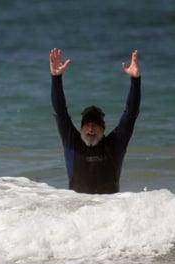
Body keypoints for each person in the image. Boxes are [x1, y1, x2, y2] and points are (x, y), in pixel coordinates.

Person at [49, 48, 141, 194]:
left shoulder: (115, 144)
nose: (90, 128)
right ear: (81, 128)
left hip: (110, 211)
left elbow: (131, 114)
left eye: (95, 125)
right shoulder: (72, 142)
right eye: (86, 125)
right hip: (77, 212)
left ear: (103, 129)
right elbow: (60, 112)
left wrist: (135, 80)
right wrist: (56, 77)